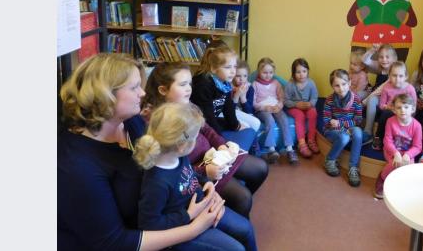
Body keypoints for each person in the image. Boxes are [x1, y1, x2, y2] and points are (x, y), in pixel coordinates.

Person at [58, 53, 223, 251]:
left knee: (241, 227)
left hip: (164, 217)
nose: (143, 93)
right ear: (105, 95)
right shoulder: (76, 166)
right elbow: (113, 242)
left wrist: (202, 186)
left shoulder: (131, 122)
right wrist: (194, 228)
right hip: (138, 237)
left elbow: (167, 166)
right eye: (135, 87)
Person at [139, 62, 268, 219]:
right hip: (196, 170)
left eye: (189, 84)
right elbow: (172, 168)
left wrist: (222, 145)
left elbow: (206, 129)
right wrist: (205, 172)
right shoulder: (158, 122)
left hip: (212, 155)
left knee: (260, 169)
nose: (189, 89)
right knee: (243, 198)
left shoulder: (186, 103)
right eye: (183, 84)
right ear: (163, 90)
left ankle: (230, 209)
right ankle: (232, 217)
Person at [133, 102, 257, 251]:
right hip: (184, 227)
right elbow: (149, 224)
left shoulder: (179, 157)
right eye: (196, 137)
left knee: (246, 229)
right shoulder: (156, 183)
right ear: (182, 146)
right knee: (236, 248)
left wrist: (206, 182)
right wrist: (189, 214)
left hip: (202, 205)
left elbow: (190, 174)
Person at [190, 45, 257, 152]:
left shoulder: (224, 82)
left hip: (212, 120)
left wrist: (236, 126)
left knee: (248, 127)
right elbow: (208, 118)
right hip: (200, 125)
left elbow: (228, 107)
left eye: (234, 67)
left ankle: (251, 153)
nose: (232, 71)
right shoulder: (203, 84)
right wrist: (220, 140)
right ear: (213, 68)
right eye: (227, 67)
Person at [374, 94, 422, 199]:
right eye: (399, 108)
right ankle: (382, 178)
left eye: (406, 107)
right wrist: (395, 153)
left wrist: (408, 155)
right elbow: (387, 141)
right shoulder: (390, 121)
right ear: (394, 110)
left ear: (412, 109)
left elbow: (418, 146)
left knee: (409, 167)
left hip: (407, 153)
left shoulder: (417, 126)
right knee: (395, 163)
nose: (402, 110)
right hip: (391, 150)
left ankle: (401, 185)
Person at [322, 69, 364, 187]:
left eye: (344, 84)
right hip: (332, 131)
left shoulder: (356, 99)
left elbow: (358, 120)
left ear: (349, 83)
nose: (341, 88)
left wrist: (340, 123)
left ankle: (353, 167)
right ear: (332, 86)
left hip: (347, 127)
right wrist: (333, 123)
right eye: (337, 85)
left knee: (358, 132)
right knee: (345, 137)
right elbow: (326, 121)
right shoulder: (329, 100)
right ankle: (330, 160)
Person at [252, 57, 297, 164]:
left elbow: (281, 97)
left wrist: (280, 105)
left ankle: (289, 148)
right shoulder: (255, 84)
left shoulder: (276, 83)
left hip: (275, 107)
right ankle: (271, 150)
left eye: (270, 72)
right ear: (259, 72)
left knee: (284, 120)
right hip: (262, 110)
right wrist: (264, 107)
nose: (268, 75)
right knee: (270, 121)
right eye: (264, 72)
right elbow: (253, 103)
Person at [373, 61, 418, 149]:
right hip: (391, 112)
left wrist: (407, 113)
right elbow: (382, 105)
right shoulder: (386, 88)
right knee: (385, 114)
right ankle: (379, 138)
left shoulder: (410, 89)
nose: (397, 79)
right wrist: (388, 107)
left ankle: (403, 142)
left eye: (401, 76)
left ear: (406, 77)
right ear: (389, 76)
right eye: (394, 75)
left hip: (405, 114)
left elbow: (414, 107)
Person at [283, 58, 320, 158]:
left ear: (308, 71)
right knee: (300, 115)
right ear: (293, 73)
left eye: (304, 71)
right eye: (298, 72)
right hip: (293, 107)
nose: (301, 74)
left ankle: (311, 140)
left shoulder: (311, 83)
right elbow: (285, 100)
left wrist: (310, 104)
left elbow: (314, 97)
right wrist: (296, 105)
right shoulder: (290, 84)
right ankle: (302, 143)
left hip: (307, 106)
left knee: (313, 112)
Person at [361, 43, 397, 139]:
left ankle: (368, 131)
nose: (384, 60)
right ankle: (348, 117)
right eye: (381, 57)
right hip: (374, 91)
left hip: (384, 97)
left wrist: (364, 102)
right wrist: (372, 50)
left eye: (387, 57)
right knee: (358, 94)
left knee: (371, 99)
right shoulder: (380, 66)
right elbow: (364, 60)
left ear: (393, 59)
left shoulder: (393, 72)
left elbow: (380, 90)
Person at [232, 60, 262, 132]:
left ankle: (254, 142)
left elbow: (249, 111)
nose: (241, 79)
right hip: (233, 115)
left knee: (253, 124)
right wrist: (236, 95)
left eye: (245, 76)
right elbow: (229, 110)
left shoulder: (250, 88)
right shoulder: (229, 87)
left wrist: (243, 98)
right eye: (238, 76)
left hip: (245, 114)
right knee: (246, 126)